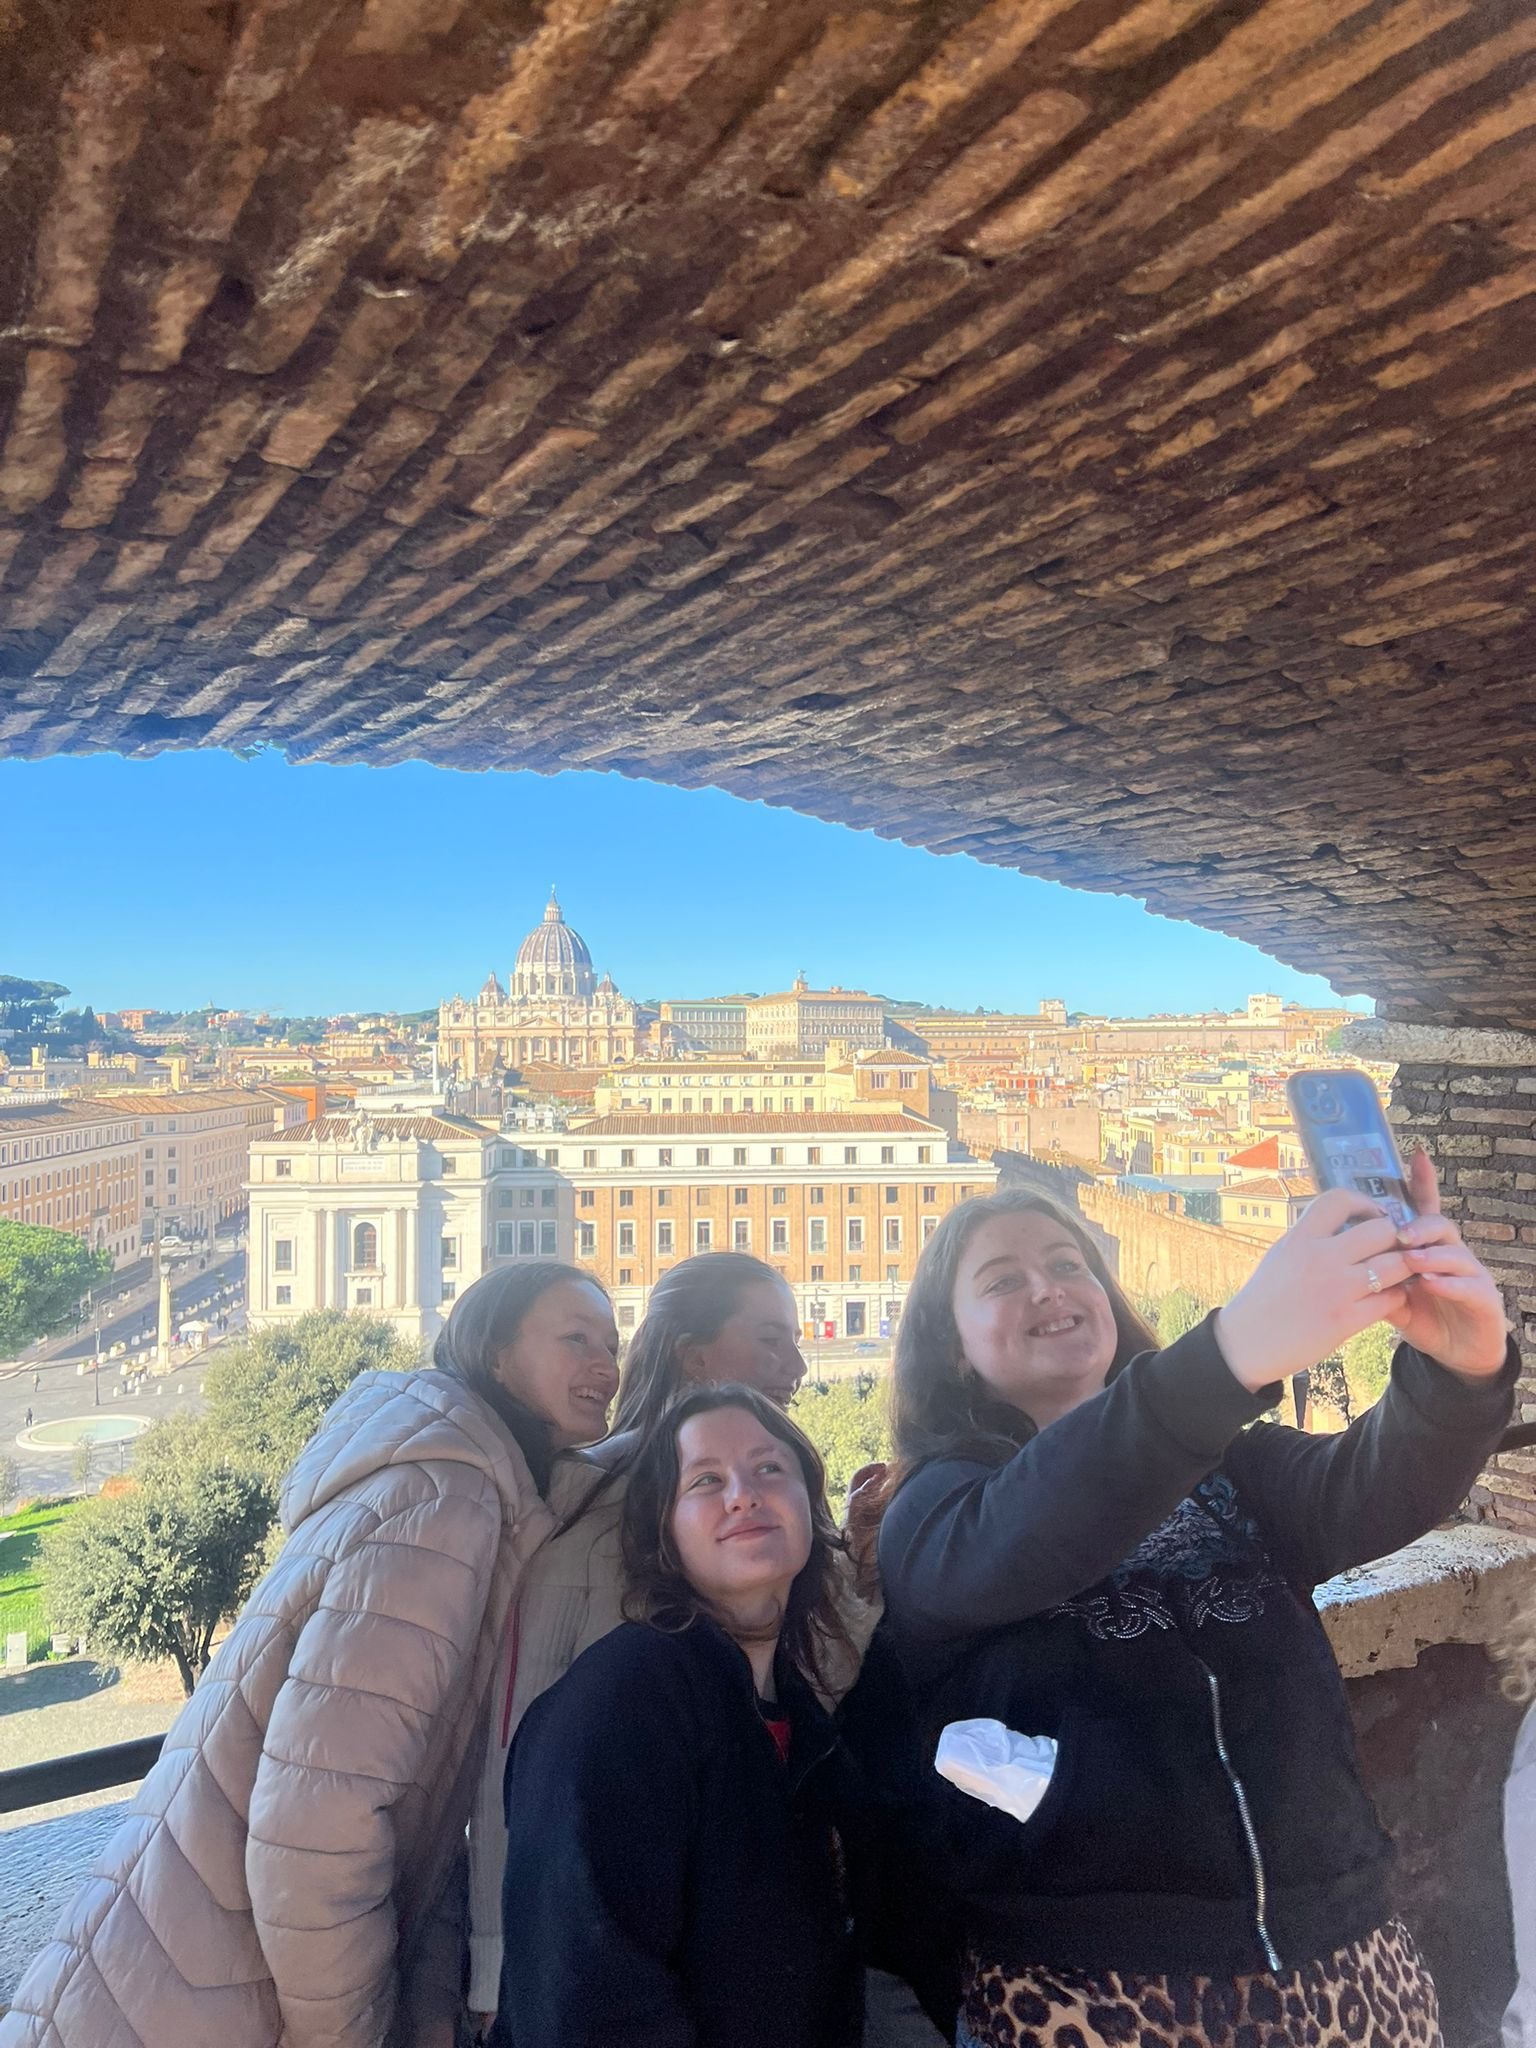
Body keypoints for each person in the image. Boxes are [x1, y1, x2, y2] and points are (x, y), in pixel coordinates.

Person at [861, 1160, 1515, 2048]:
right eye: (1002, 1281)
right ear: (953, 1349)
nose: (1048, 1288)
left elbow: (1371, 1482)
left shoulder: (1230, 1472)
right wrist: (1232, 1350)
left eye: (1069, 1264)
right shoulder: (937, 1512)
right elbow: (1028, 1529)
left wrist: (1460, 1373)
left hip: (1346, 1953)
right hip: (1091, 1993)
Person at [0, 1262, 619, 2048]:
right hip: (213, 1994)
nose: (606, 1365)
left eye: (612, 1343)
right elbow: (318, 1825)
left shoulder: (443, 1475)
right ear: (497, 1355)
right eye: (576, 1339)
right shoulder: (446, 1504)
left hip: (175, 1962)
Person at [466, 1251, 824, 2021]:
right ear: (695, 1356)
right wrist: (497, 1964)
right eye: (770, 1339)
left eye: (770, 1470)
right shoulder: (596, 1516)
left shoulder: (750, 1549)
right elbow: (533, 1753)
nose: (796, 1366)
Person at [493, 1384, 864, 2047]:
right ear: (663, 1531)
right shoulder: (621, 1701)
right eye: (706, 1480)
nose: (743, 1495)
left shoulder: (798, 1714)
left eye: (769, 1468)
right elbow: (584, 1997)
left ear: (810, 1503)